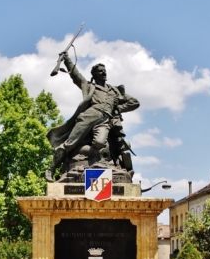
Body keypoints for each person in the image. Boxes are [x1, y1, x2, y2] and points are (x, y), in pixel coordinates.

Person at [45, 52, 140, 182]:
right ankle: (51, 168)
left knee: (100, 143)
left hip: (105, 119)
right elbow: (75, 75)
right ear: (94, 75)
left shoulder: (114, 90)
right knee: (69, 144)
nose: (103, 73)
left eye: (104, 71)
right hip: (90, 115)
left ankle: (98, 161)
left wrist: (118, 108)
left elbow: (134, 102)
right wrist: (66, 59)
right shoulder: (90, 86)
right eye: (100, 71)